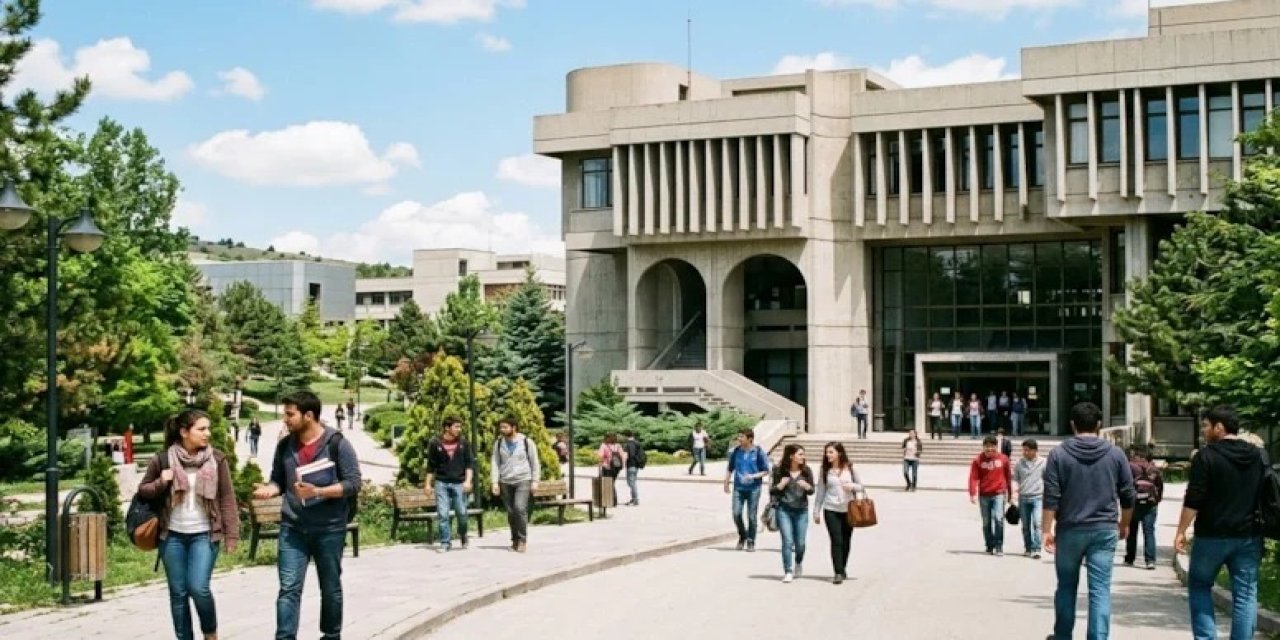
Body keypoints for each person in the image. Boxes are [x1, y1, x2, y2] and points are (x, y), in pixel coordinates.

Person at [252, 390, 362, 640]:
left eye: (290, 414)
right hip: (293, 529)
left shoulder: (337, 444)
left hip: (329, 529)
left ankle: (331, 635)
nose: (286, 419)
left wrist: (319, 491)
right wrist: (270, 489)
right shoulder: (285, 445)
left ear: (308, 415)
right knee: (288, 589)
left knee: (330, 587)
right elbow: (278, 480)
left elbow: (353, 483)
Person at [137, 409, 239, 640]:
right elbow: (143, 490)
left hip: (204, 534)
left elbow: (227, 499)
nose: (207, 433)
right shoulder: (163, 459)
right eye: (201, 429)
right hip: (171, 535)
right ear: (184, 432)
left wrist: (231, 535)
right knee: (178, 593)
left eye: (208, 428)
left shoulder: (217, 459)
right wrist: (161, 481)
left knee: (198, 587)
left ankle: (210, 633)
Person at [1043, 402, 1135, 640]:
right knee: (1100, 589)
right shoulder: (1115, 454)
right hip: (1104, 529)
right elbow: (1128, 495)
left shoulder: (1058, 454)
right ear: (1099, 425)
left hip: (1070, 529)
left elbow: (1051, 496)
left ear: (1072, 424)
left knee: (1066, 586)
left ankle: (1063, 635)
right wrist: (1124, 524)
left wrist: (1046, 530)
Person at [1174, 405, 1265, 640]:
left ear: (1219, 427)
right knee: (1245, 595)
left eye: (1206, 426)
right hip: (1248, 536)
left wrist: (1181, 531)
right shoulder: (1256, 456)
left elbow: (1194, 498)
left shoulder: (1206, 456)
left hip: (1211, 536)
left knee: (1200, 586)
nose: (1204, 431)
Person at [814, 442, 862, 584]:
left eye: (831, 452)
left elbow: (860, 486)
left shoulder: (850, 468)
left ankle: (842, 567)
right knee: (836, 540)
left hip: (849, 509)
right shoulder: (825, 470)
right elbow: (821, 491)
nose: (827, 455)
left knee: (846, 540)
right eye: (826, 452)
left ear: (839, 453)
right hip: (831, 509)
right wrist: (816, 510)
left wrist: (852, 486)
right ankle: (838, 572)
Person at [491, 417, 540, 553]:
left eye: (505, 427)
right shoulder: (499, 443)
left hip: (523, 479)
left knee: (519, 508)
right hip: (506, 481)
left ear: (514, 427)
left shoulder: (526, 442)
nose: (502, 430)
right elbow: (495, 462)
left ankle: (523, 540)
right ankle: (515, 539)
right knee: (511, 512)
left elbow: (535, 462)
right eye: (501, 427)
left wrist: (535, 481)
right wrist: (494, 482)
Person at [425, 417, 474, 552]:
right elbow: (430, 466)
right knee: (443, 513)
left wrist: (468, 481)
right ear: (447, 428)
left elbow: (469, 464)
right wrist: (428, 484)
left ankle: (463, 534)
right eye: (456, 426)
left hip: (459, 483)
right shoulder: (435, 443)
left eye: (460, 427)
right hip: (441, 482)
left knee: (462, 513)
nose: (459, 429)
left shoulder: (464, 443)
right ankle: (445, 542)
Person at [770, 444, 814, 583]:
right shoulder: (779, 470)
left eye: (803, 454)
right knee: (787, 541)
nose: (803, 457)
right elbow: (772, 490)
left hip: (801, 511)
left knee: (800, 543)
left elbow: (812, 490)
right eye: (800, 454)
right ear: (791, 456)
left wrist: (807, 487)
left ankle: (798, 562)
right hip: (784, 510)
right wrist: (781, 485)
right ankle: (788, 571)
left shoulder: (806, 471)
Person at [724, 428, 770, 552]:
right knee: (736, 513)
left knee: (751, 516)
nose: (739, 439)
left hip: (754, 488)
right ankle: (742, 535)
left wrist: (753, 476)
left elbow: (766, 470)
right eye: (738, 436)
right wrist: (726, 482)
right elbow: (730, 468)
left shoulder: (758, 452)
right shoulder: (736, 451)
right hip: (738, 488)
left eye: (741, 437)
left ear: (750, 439)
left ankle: (751, 540)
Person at [968, 435, 1012, 556]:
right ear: (983, 447)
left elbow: (1008, 477)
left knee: (999, 519)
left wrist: (1010, 493)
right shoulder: (978, 460)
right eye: (987, 446)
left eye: (992, 446)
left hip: (999, 493)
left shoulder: (1003, 459)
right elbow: (973, 477)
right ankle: (989, 545)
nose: (989, 449)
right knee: (986, 522)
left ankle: (999, 546)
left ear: (996, 447)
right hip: (984, 494)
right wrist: (972, 493)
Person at [1124, 444, 1163, 570]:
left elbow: (1125, 485)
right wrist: (1156, 500)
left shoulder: (1130, 467)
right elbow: (1160, 486)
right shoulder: (1153, 468)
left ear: (1136, 455)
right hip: (1150, 504)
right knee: (1149, 532)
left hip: (1134, 504)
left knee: (1132, 532)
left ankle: (1130, 558)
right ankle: (1150, 560)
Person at [1013, 438, 1046, 559]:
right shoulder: (1019, 463)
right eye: (1024, 450)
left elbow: (1048, 479)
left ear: (1035, 450)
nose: (1025, 452)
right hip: (1023, 497)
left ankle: (1036, 549)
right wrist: (1014, 494)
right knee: (1026, 525)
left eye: (1027, 450)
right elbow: (1015, 479)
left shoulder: (1043, 462)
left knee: (1037, 523)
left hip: (1038, 497)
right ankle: (1028, 547)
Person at [597, 433, 626, 506]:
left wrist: (601, 464)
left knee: (608, 484)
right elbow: (623, 456)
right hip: (616, 467)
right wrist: (622, 466)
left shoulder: (604, 445)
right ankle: (613, 501)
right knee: (612, 483)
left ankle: (610, 501)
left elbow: (600, 456)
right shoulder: (618, 446)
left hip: (607, 467)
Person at [621, 430, 643, 506]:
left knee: (631, 482)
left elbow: (625, 456)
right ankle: (633, 498)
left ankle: (635, 499)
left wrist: (623, 465)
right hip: (636, 465)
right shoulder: (637, 443)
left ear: (625, 436)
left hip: (630, 465)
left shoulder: (627, 444)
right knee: (633, 481)